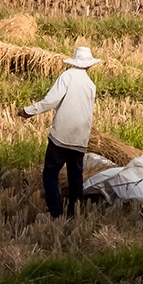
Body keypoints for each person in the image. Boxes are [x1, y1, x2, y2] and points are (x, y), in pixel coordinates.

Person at [18, 46, 101, 218]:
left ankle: (56, 212)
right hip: (80, 139)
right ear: (89, 65)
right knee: (75, 177)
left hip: (61, 137)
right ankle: (74, 213)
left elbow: (51, 101)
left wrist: (29, 111)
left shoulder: (67, 76)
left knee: (50, 174)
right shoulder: (90, 85)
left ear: (74, 62)